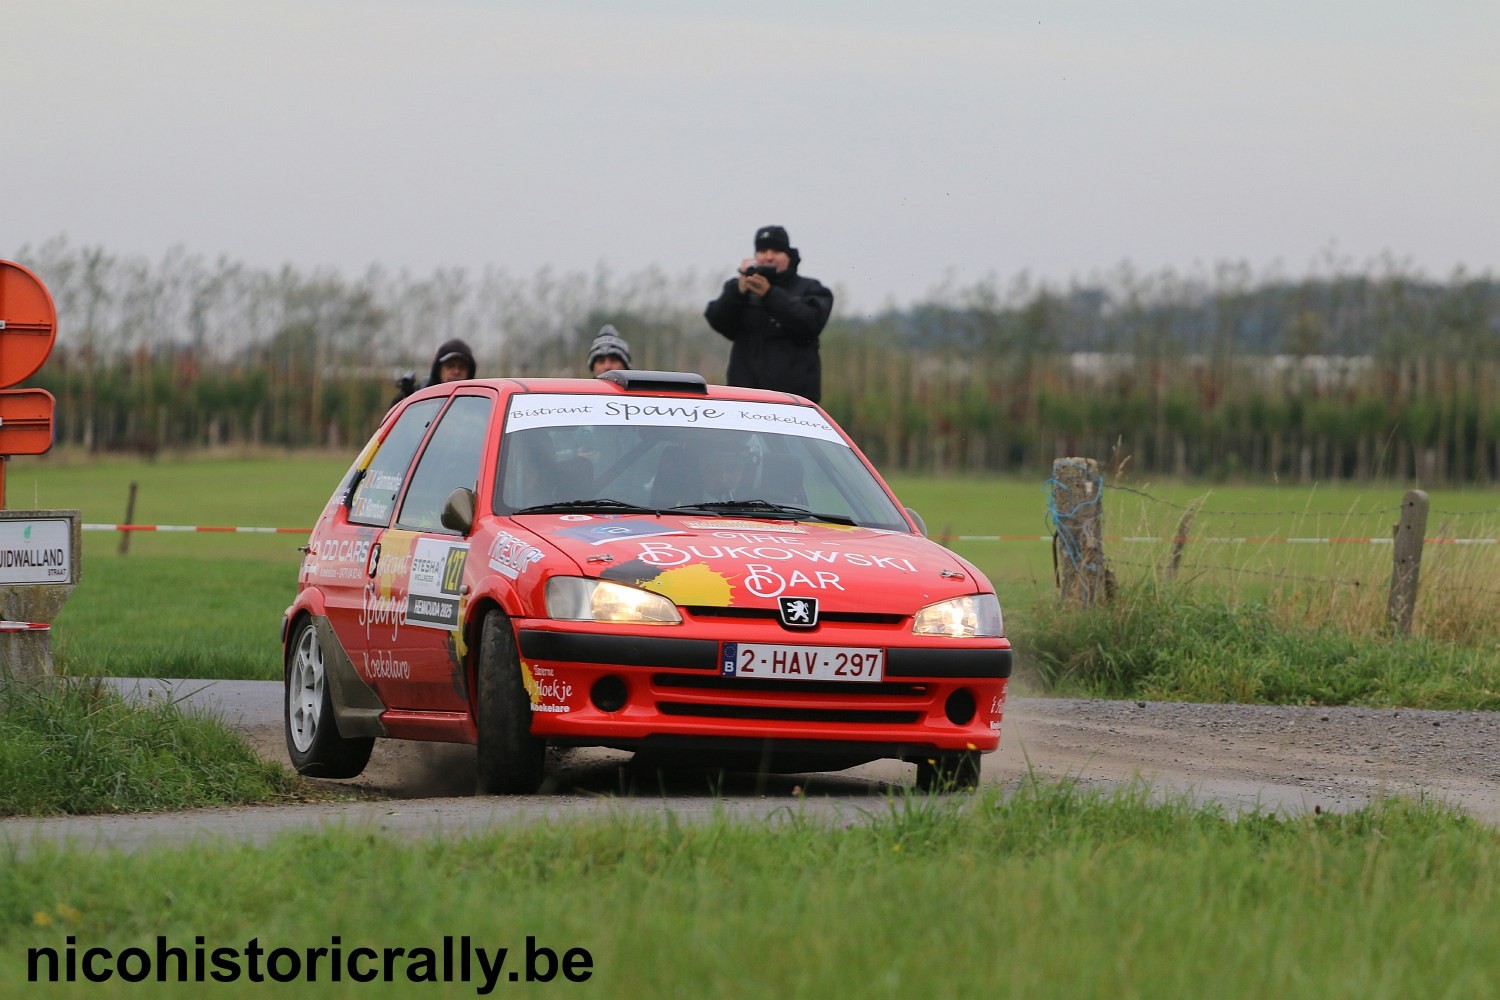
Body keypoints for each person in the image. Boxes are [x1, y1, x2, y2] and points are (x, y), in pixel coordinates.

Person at [704, 225, 834, 402]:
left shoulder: (811, 289)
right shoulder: (740, 291)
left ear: (789, 256)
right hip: (745, 398)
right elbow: (718, 320)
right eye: (763, 251)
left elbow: (809, 324)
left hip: (794, 401)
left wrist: (769, 294)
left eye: (777, 251)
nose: (769, 257)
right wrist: (737, 292)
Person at [393, 338, 477, 405]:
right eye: (450, 366)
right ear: (438, 369)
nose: (456, 371)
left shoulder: (479, 402)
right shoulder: (415, 398)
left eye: (462, 367)